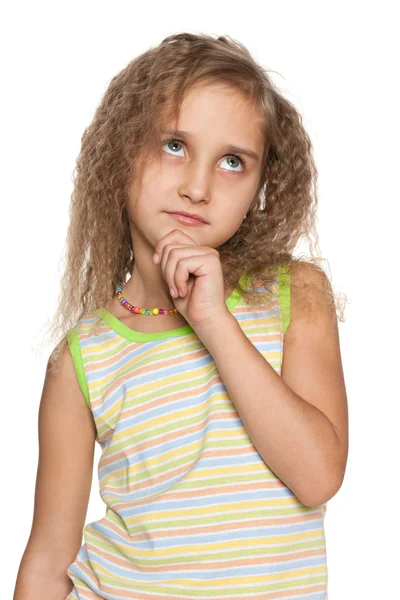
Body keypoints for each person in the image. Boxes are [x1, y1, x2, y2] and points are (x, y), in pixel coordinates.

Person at [14, 32, 349, 600]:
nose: (197, 187)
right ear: (122, 152)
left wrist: (214, 319)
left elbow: (317, 478)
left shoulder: (295, 294)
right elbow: (49, 561)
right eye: (174, 145)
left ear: (261, 187)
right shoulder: (81, 360)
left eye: (232, 161)